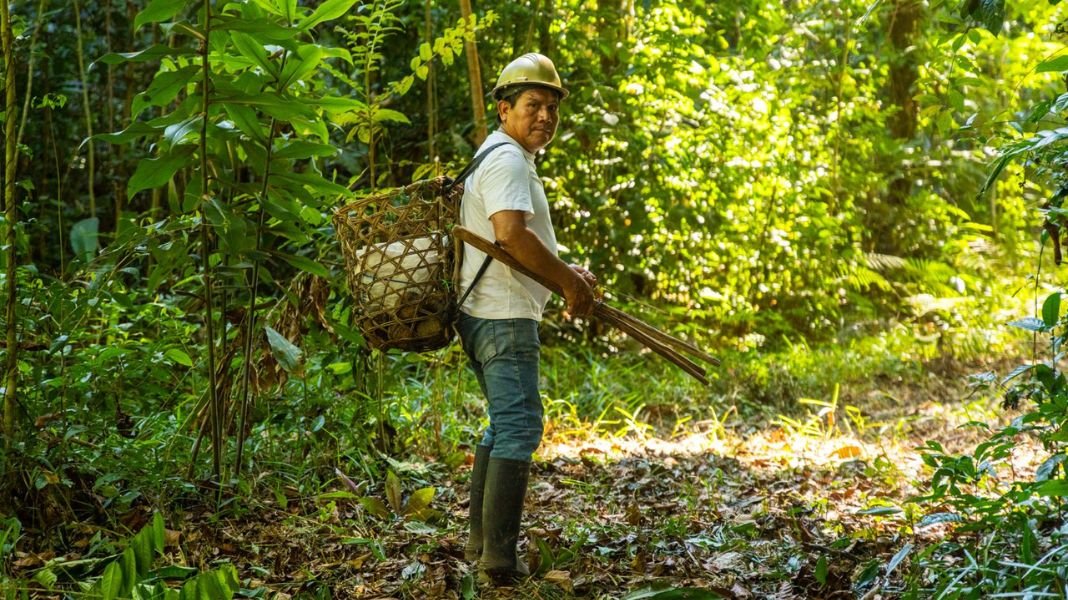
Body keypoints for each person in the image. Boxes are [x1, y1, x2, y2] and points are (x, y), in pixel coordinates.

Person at [455, 53, 598, 584]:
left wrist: (567, 270)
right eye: (533, 105)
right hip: (503, 316)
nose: (545, 116)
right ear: (503, 109)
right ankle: (498, 562)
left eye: (552, 107)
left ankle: (482, 546)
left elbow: (518, 238)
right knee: (519, 428)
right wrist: (565, 282)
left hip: (487, 312)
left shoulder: (500, 155)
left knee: (502, 426)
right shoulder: (508, 159)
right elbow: (510, 235)